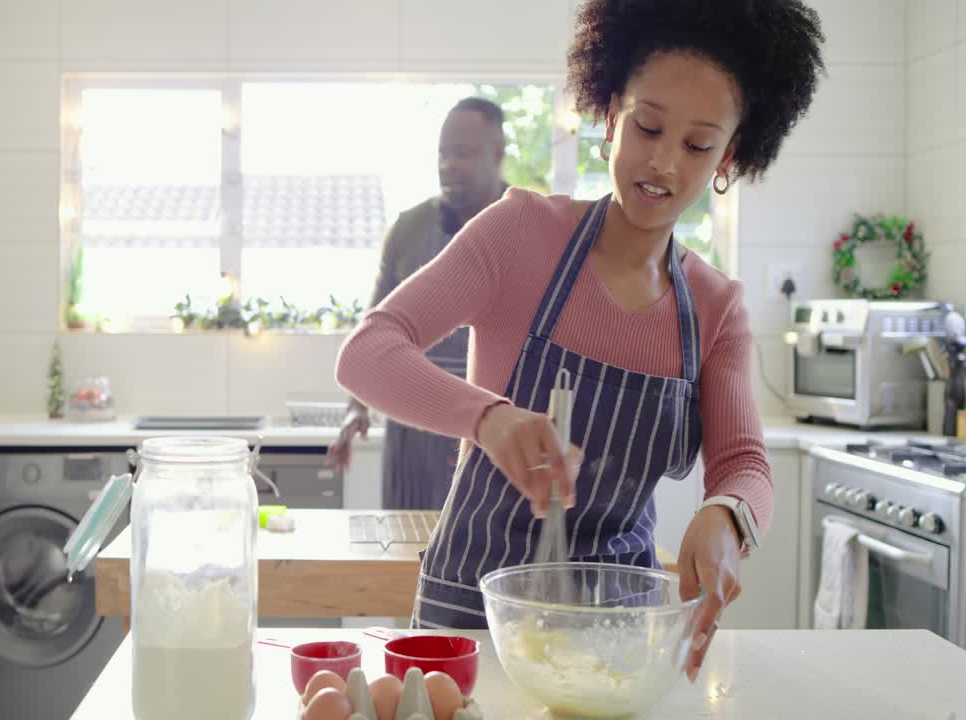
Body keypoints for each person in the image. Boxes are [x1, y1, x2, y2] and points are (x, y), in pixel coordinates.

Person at [335, 0, 824, 681]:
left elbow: (744, 462)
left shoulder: (716, 308)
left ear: (730, 156)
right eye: (648, 126)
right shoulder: (519, 235)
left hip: (617, 627)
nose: (662, 162)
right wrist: (489, 418)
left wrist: (727, 517)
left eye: (697, 144)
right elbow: (367, 351)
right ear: (610, 113)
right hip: (471, 617)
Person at [327, 97, 508, 510]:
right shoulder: (410, 229)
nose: (448, 165)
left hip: (497, 430)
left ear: (497, 153)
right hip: (414, 434)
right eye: (443, 153)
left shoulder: (531, 228)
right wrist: (357, 408)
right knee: (407, 558)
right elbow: (375, 329)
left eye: (462, 153)